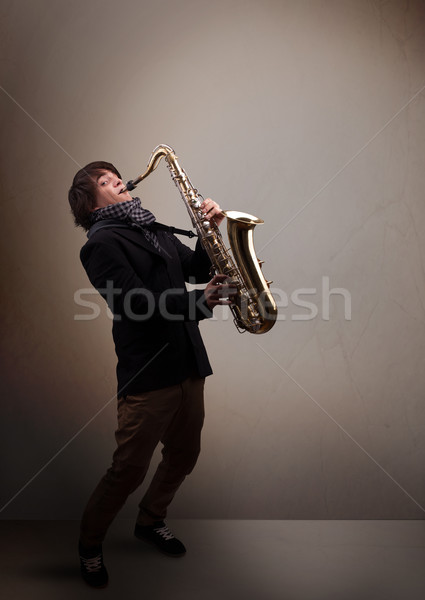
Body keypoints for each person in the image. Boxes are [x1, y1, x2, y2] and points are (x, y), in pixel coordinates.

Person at [68, 161, 232, 588]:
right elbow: (134, 304)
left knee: (184, 455)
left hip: (187, 365)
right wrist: (201, 304)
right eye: (104, 181)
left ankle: (150, 520)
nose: (117, 180)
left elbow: (195, 270)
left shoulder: (152, 228)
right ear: (89, 203)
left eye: (115, 175)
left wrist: (207, 228)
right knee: (127, 471)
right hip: (148, 373)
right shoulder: (100, 243)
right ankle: (89, 546)